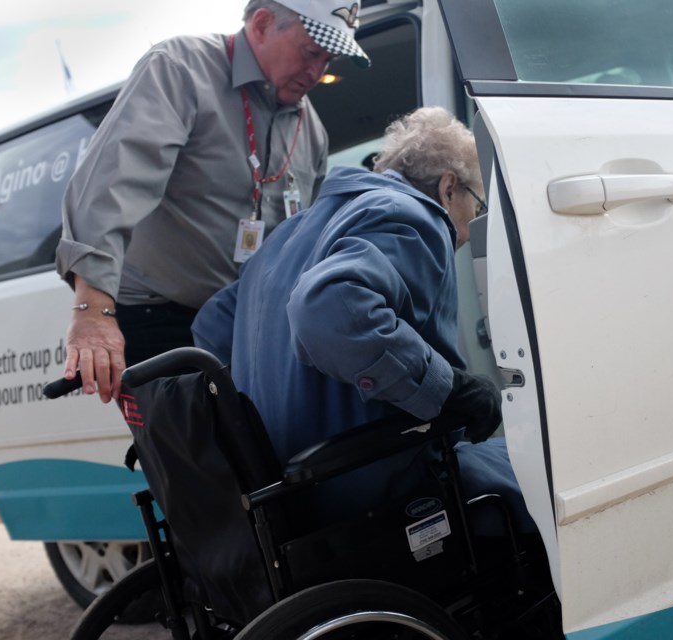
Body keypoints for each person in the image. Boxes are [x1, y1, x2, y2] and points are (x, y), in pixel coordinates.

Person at [192, 106, 532, 532]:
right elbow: (327, 308)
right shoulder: (414, 216)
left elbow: (212, 325)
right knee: (540, 474)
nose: (466, 233)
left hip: (289, 496)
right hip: (372, 487)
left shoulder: (288, 234)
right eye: (476, 209)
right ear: (449, 188)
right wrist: (448, 389)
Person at [56, 0, 369, 404]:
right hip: (161, 318)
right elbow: (112, 183)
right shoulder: (180, 68)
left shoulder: (311, 130)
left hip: (245, 327)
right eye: (311, 52)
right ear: (261, 23)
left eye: (329, 58)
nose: (318, 72)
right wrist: (92, 307)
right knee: (200, 459)